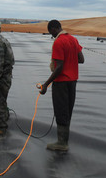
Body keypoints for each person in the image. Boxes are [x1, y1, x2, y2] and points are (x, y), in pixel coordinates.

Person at [40, 20, 84, 152]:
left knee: (60, 111)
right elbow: (81, 59)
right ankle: (64, 140)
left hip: (61, 83)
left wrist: (46, 84)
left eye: (51, 33)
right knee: (67, 110)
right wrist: (70, 58)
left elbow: (59, 68)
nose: (51, 36)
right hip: (72, 81)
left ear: (54, 29)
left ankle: (62, 143)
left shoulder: (59, 42)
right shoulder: (73, 39)